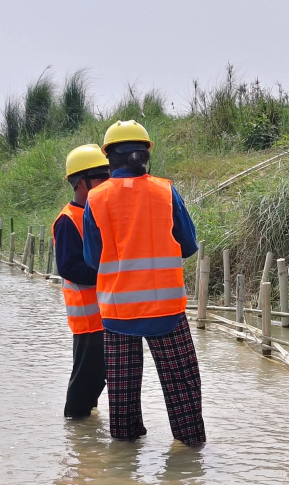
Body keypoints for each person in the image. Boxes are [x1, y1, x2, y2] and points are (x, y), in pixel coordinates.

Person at [82, 120, 205, 445]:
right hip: (167, 312)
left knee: (122, 399)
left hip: (118, 314)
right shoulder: (165, 191)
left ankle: (124, 459)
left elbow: (93, 259)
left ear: (109, 158)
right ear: (146, 155)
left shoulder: (96, 199)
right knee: (184, 391)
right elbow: (188, 245)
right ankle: (191, 453)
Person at [53, 144, 111, 419]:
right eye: (100, 178)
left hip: (108, 314)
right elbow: (69, 267)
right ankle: (76, 429)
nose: (106, 183)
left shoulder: (100, 212)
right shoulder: (68, 220)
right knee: (86, 378)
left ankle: (86, 425)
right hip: (89, 318)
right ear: (80, 183)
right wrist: (109, 273)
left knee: (99, 376)